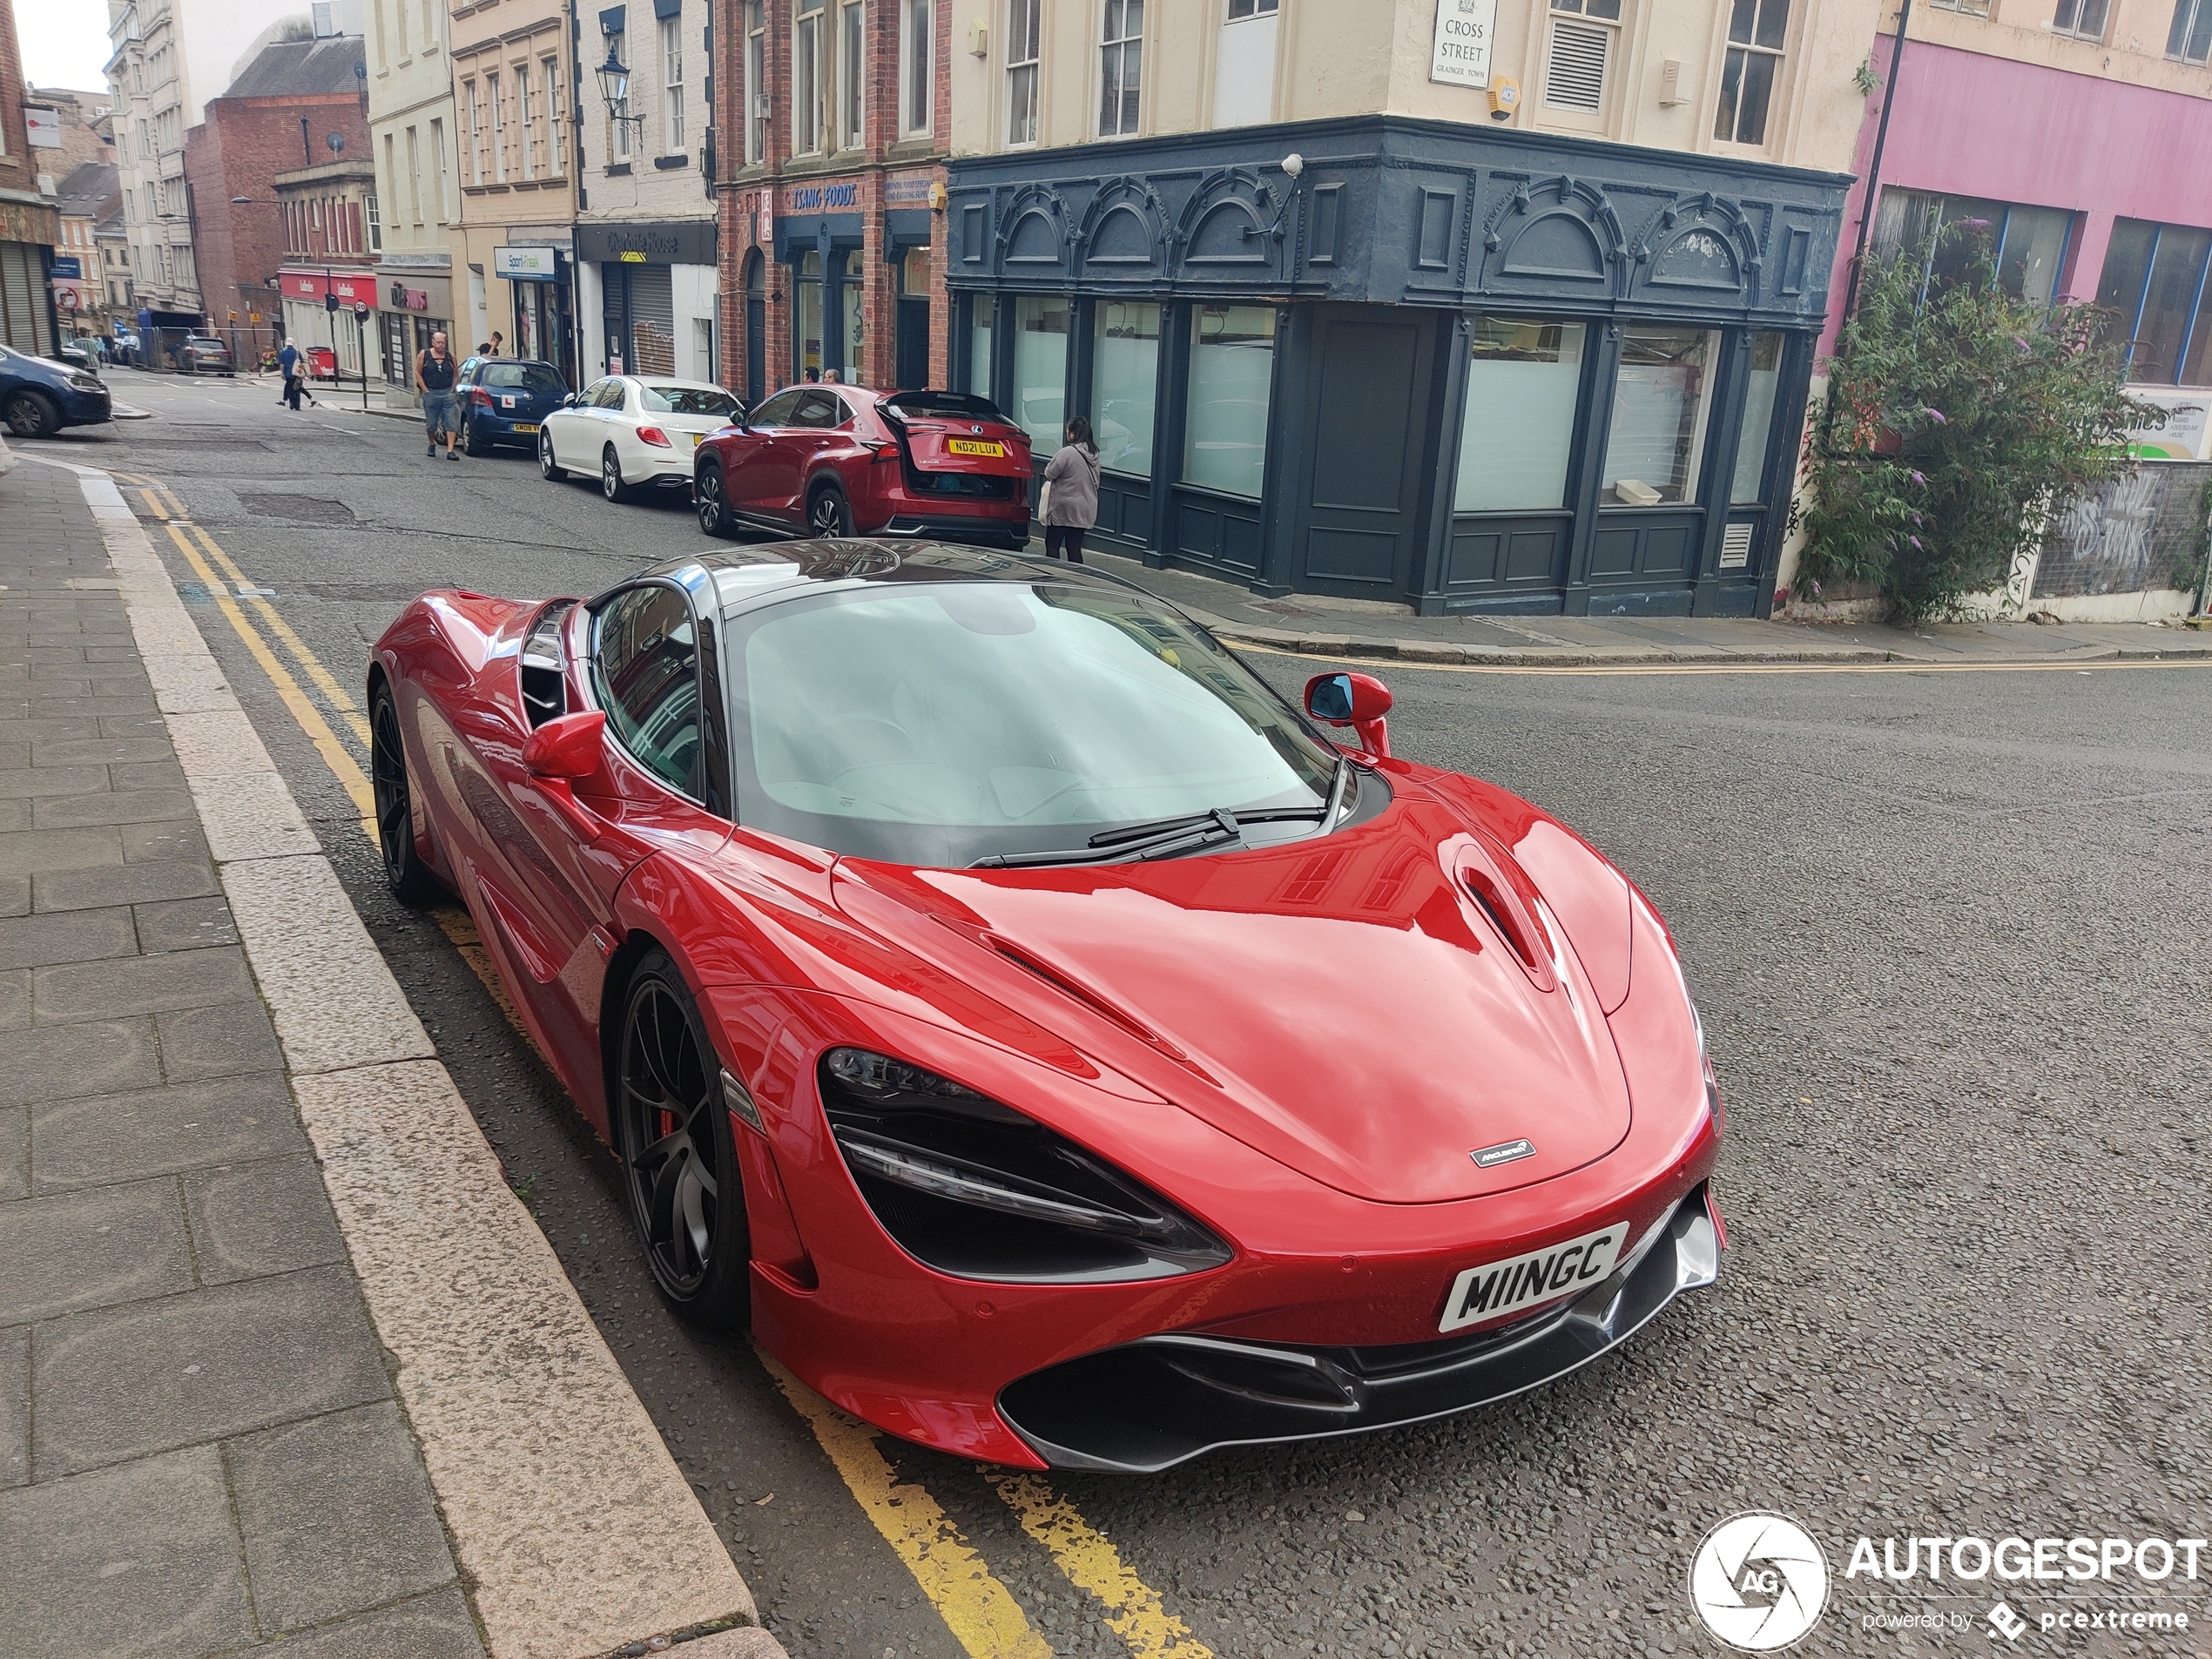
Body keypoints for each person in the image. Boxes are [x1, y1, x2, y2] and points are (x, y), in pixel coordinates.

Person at [1040, 416, 1101, 564]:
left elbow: (1050, 473)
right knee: (1074, 547)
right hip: (1085, 506)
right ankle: (1076, 578)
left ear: (1073, 434)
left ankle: (1054, 575)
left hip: (1063, 507)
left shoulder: (1067, 452)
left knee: (1053, 545)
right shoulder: (1095, 454)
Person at [416, 330, 462, 461]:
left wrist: (452, 389)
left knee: (451, 422)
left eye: (443, 342)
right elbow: (418, 372)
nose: (441, 345)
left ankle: (450, 451)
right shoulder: (424, 355)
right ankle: (432, 444)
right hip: (431, 393)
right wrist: (425, 390)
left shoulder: (450, 356)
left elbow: (455, 375)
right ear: (433, 342)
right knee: (432, 424)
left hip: (447, 394)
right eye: (439, 342)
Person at [276, 341, 311, 411]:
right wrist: (304, 374)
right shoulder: (297, 353)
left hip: (288, 374)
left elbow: (282, 364)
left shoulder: (283, 352)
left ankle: (291, 403)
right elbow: (301, 363)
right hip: (297, 374)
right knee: (297, 389)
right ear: (293, 344)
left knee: (290, 389)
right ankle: (297, 406)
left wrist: (282, 373)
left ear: (286, 344)